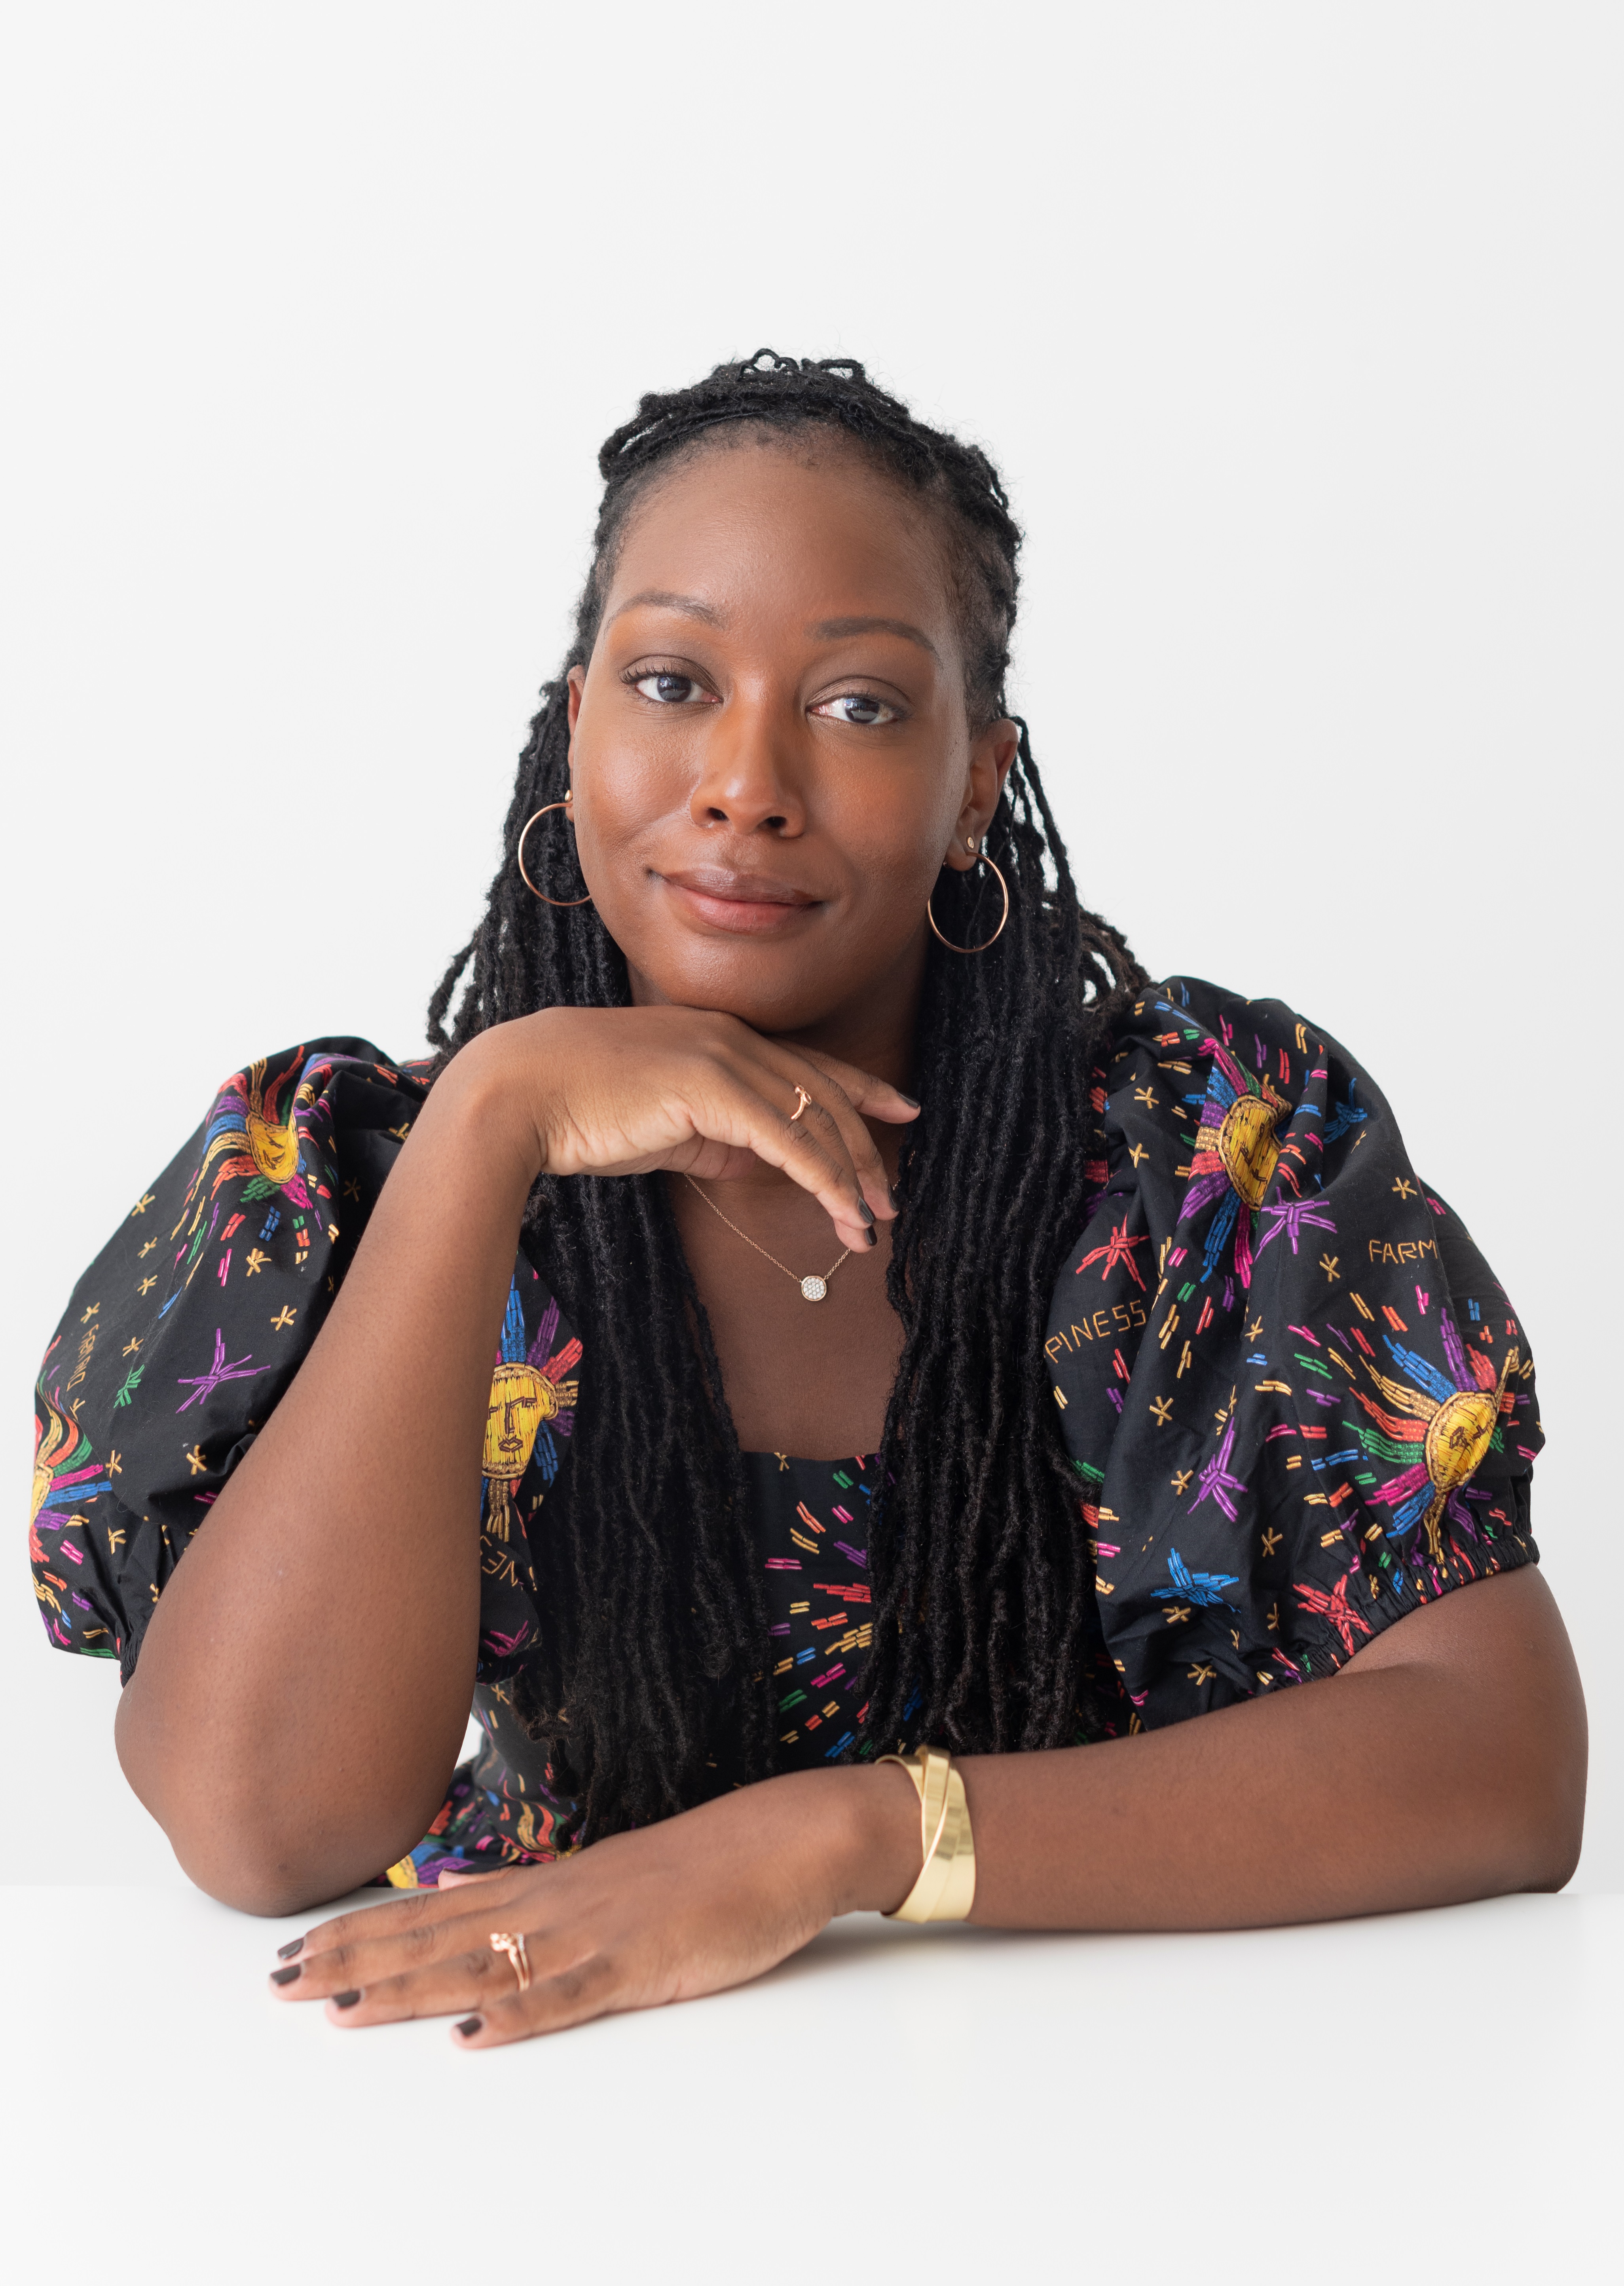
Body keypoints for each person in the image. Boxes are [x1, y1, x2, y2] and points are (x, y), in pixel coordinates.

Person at [30, 351, 1585, 2046]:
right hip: (513, 2154)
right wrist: (492, 1120)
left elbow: (1502, 1762)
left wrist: (842, 1840)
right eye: (674, 679)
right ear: (576, 730)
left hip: (1115, 2128)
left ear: (980, 775)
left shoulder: (1206, 1163)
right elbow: (265, 1831)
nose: (746, 781)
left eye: (857, 704)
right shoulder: (344, 1181)